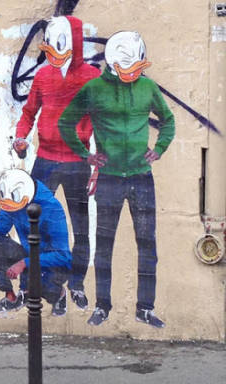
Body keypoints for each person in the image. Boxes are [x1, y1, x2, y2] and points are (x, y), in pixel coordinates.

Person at [58, 31, 175, 328]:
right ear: (112, 63)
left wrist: (159, 149)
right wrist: (85, 154)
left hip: (142, 179)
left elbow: (168, 120)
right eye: (128, 68)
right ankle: (102, 306)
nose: (134, 73)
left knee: (148, 245)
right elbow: (66, 121)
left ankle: (145, 308)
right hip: (109, 179)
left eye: (138, 68)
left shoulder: (148, 87)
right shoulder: (94, 89)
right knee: (104, 246)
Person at [13, 15, 100, 311]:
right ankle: (35, 286)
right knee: (31, 225)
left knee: (80, 229)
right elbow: (28, 113)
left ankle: (76, 284)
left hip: (77, 162)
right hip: (46, 159)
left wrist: (99, 166)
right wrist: (20, 137)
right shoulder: (43, 76)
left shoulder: (91, 77)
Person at [0, 168, 72, 315]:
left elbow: (63, 257)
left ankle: (58, 294)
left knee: (41, 285)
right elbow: (1, 229)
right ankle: (11, 296)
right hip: (28, 256)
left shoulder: (52, 208)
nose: (14, 210)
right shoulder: (12, 200)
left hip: (51, 266)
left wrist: (23, 263)